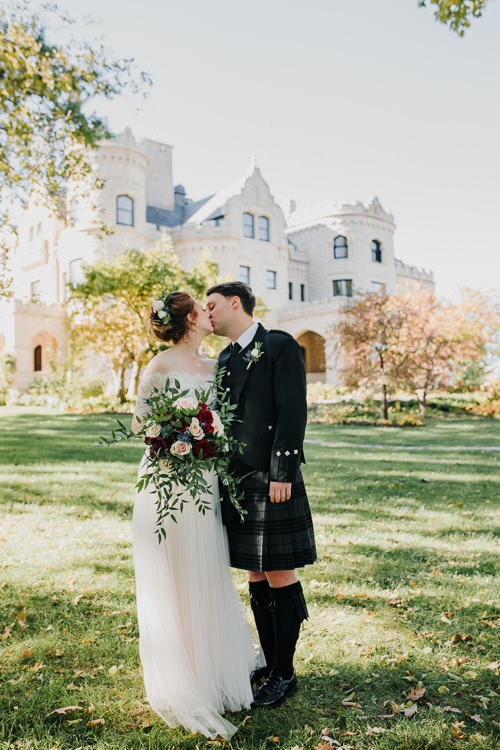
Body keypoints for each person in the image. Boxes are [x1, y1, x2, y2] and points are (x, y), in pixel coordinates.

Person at [131, 290, 254, 739]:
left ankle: (211, 667)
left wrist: (207, 437)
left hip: (203, 478)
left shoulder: (214, 366)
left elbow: (226, 419)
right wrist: (178, 434)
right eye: (201, 310)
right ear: (186, 320)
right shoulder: (159, 365)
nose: (209, 314)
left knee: (204, 568)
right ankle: (182, 675)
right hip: (166, 480)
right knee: (173, 571)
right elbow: (140, 423)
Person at [206, 281, 317, 709]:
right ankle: (270, 664)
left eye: (212, 306)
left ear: (236, 303)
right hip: (237, 480)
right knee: (254, 572)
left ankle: (285, 673)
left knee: (279, 573)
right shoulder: (226, 356)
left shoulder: (278, 344)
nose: (208, 314)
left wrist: (282, 471)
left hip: (271, 478)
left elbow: (292, 409)